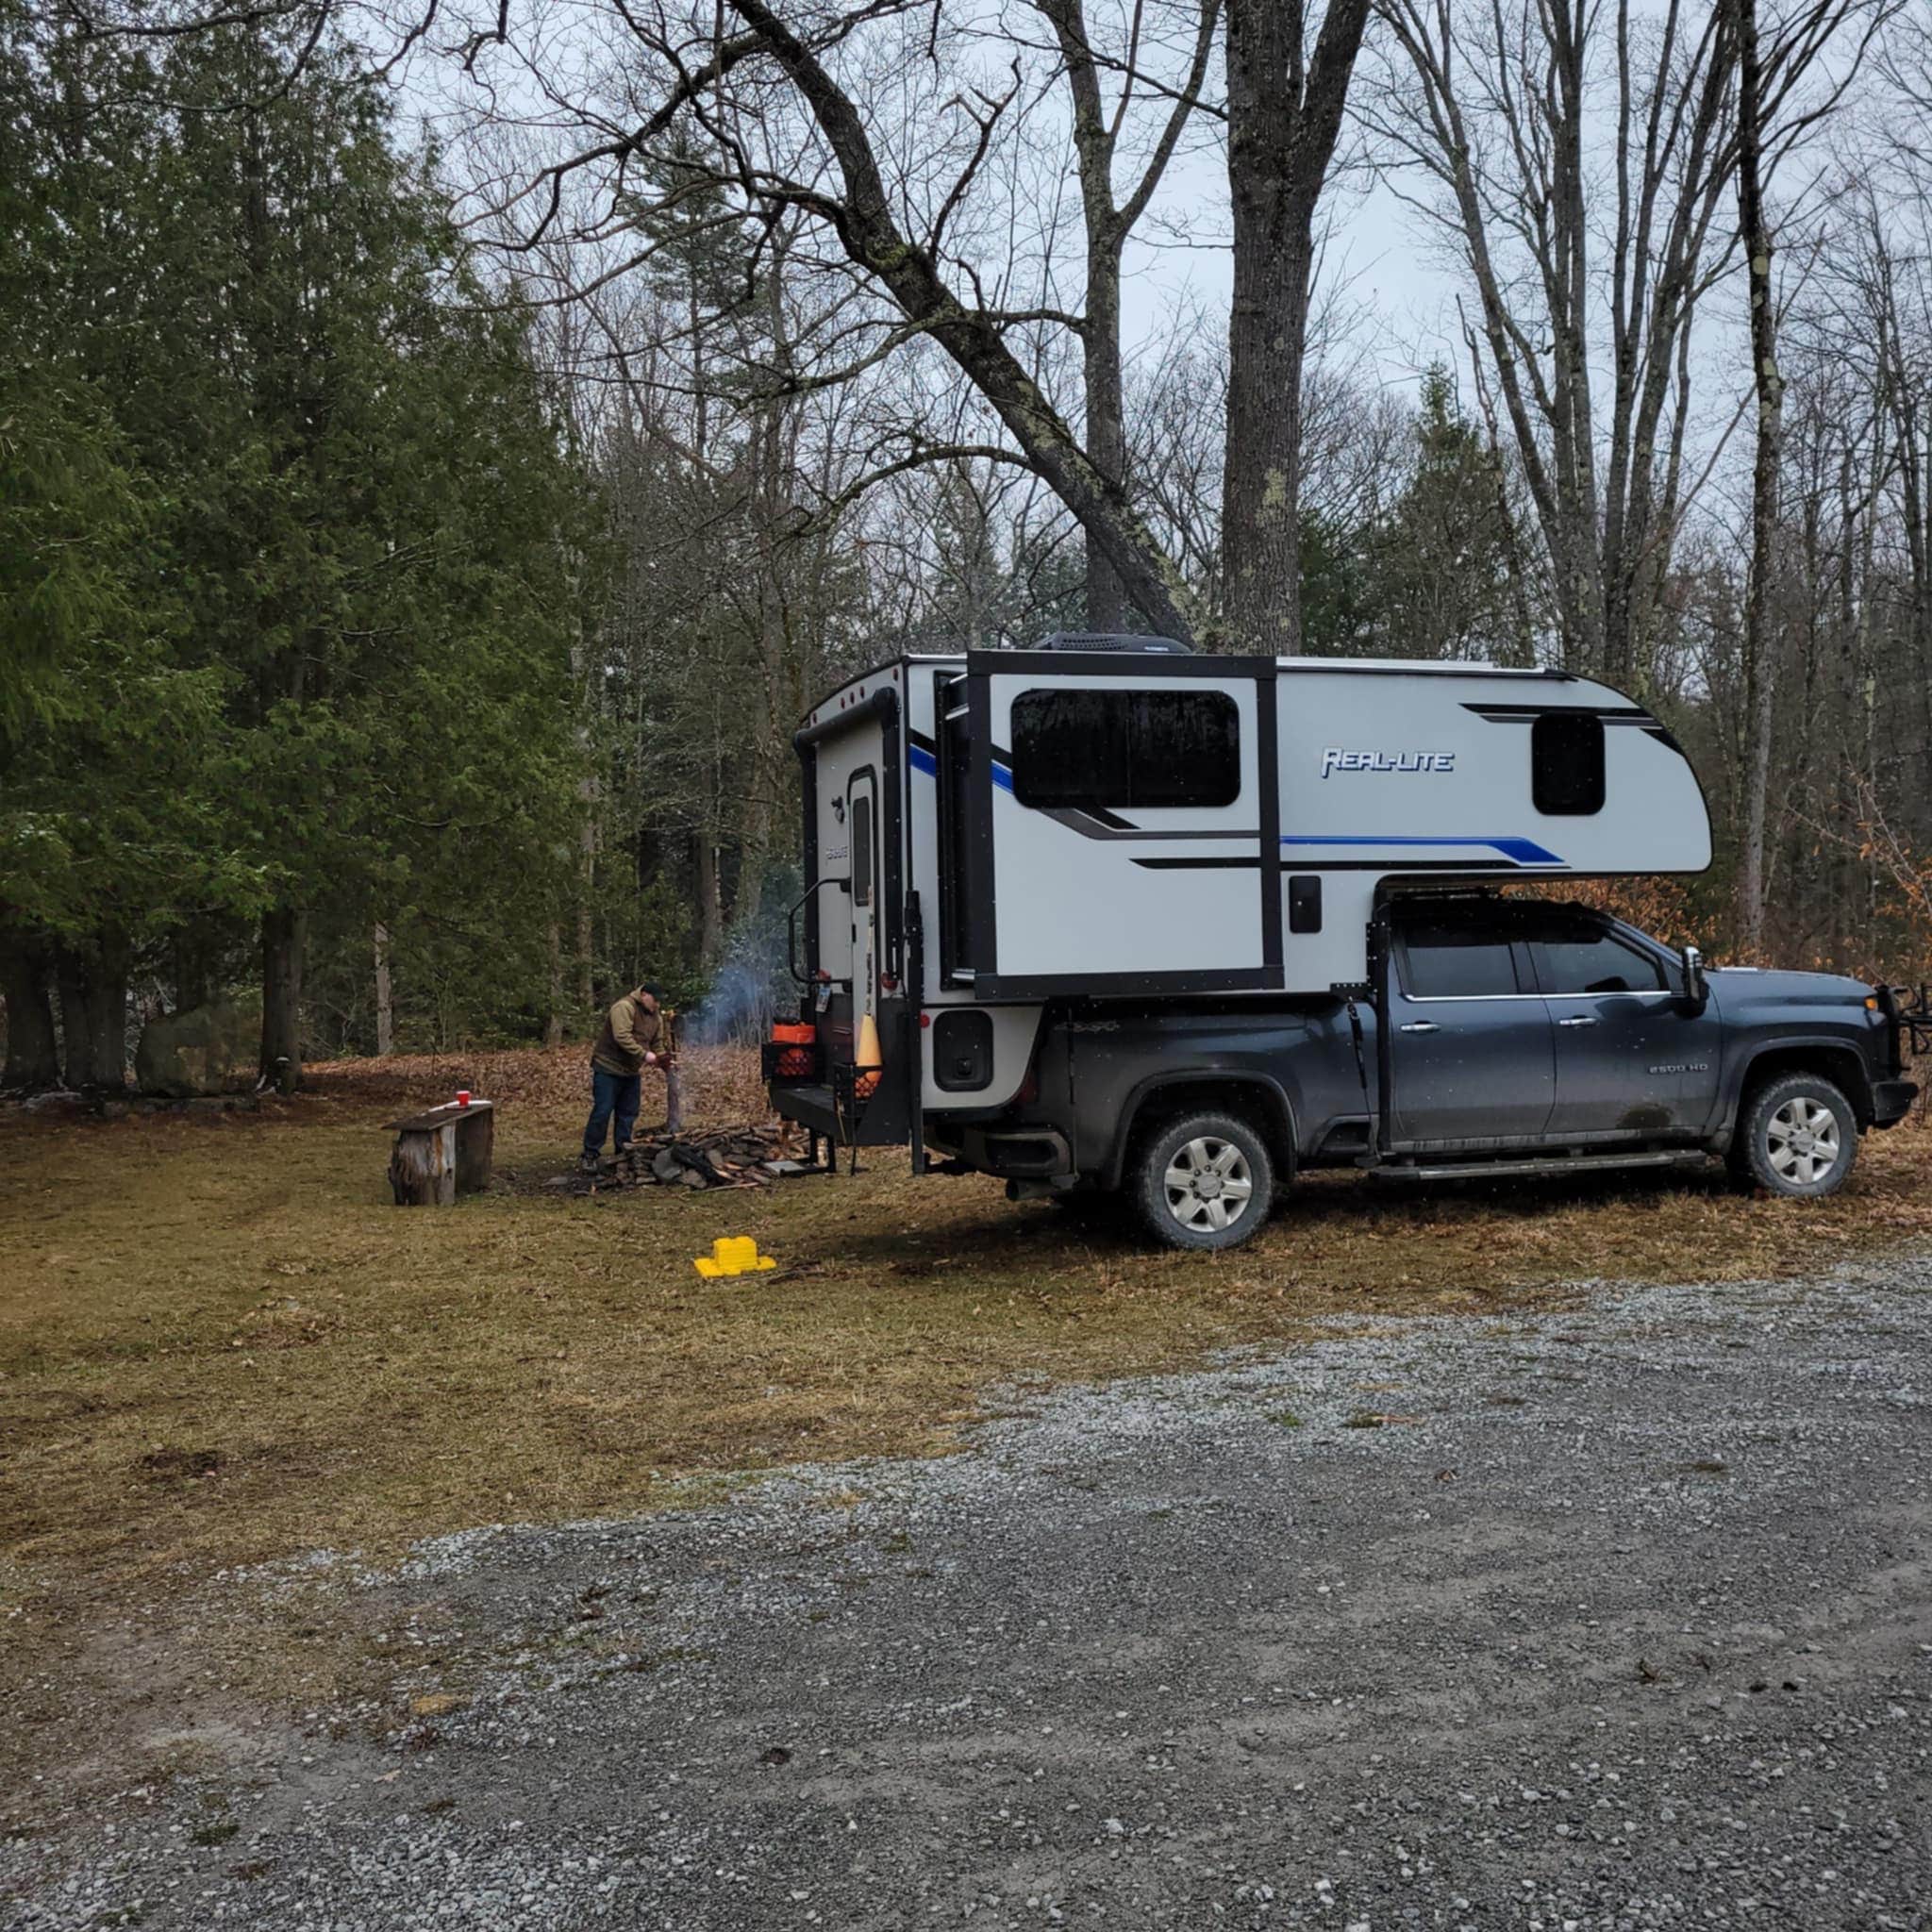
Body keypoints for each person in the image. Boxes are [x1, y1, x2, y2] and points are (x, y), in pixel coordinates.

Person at [581, 981, 672, 1173]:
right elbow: (622, 1037)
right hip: (608, 1067)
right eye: (655, 1000)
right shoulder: (624, 1007)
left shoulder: (656, 1016)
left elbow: (657, 1042)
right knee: (602, 1111)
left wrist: (663, 1059)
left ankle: (622, 1152)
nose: (657, 1005)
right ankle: (590, 1154)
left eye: (659, 1002)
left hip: (631, 1071)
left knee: (628, 1113)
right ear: (644, 995)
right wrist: (645, 1055)